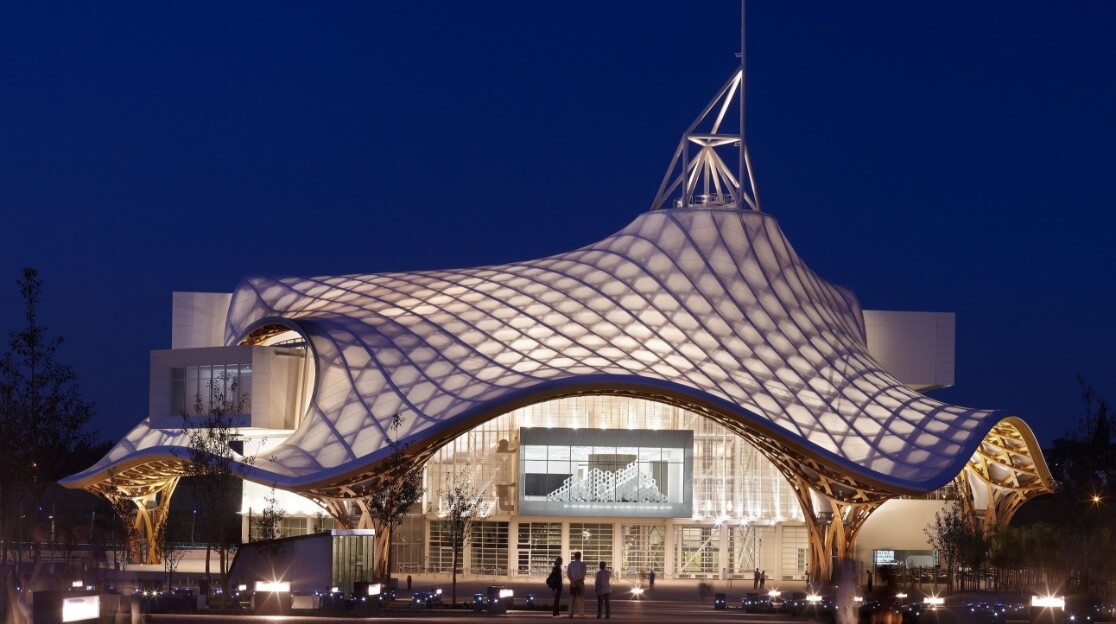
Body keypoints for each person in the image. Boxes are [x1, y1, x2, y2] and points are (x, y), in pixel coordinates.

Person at [567, 551, 588, 617]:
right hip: (580, 582)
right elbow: (583, 573)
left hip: (572, 582)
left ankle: (570, 613)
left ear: (574, 556)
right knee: (581, 598)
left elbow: (568, 574)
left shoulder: (571, 564)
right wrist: (579, 579)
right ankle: (581, 614)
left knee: (572, 598)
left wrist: (572, 581)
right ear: (580, 556)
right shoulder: (583, 564)